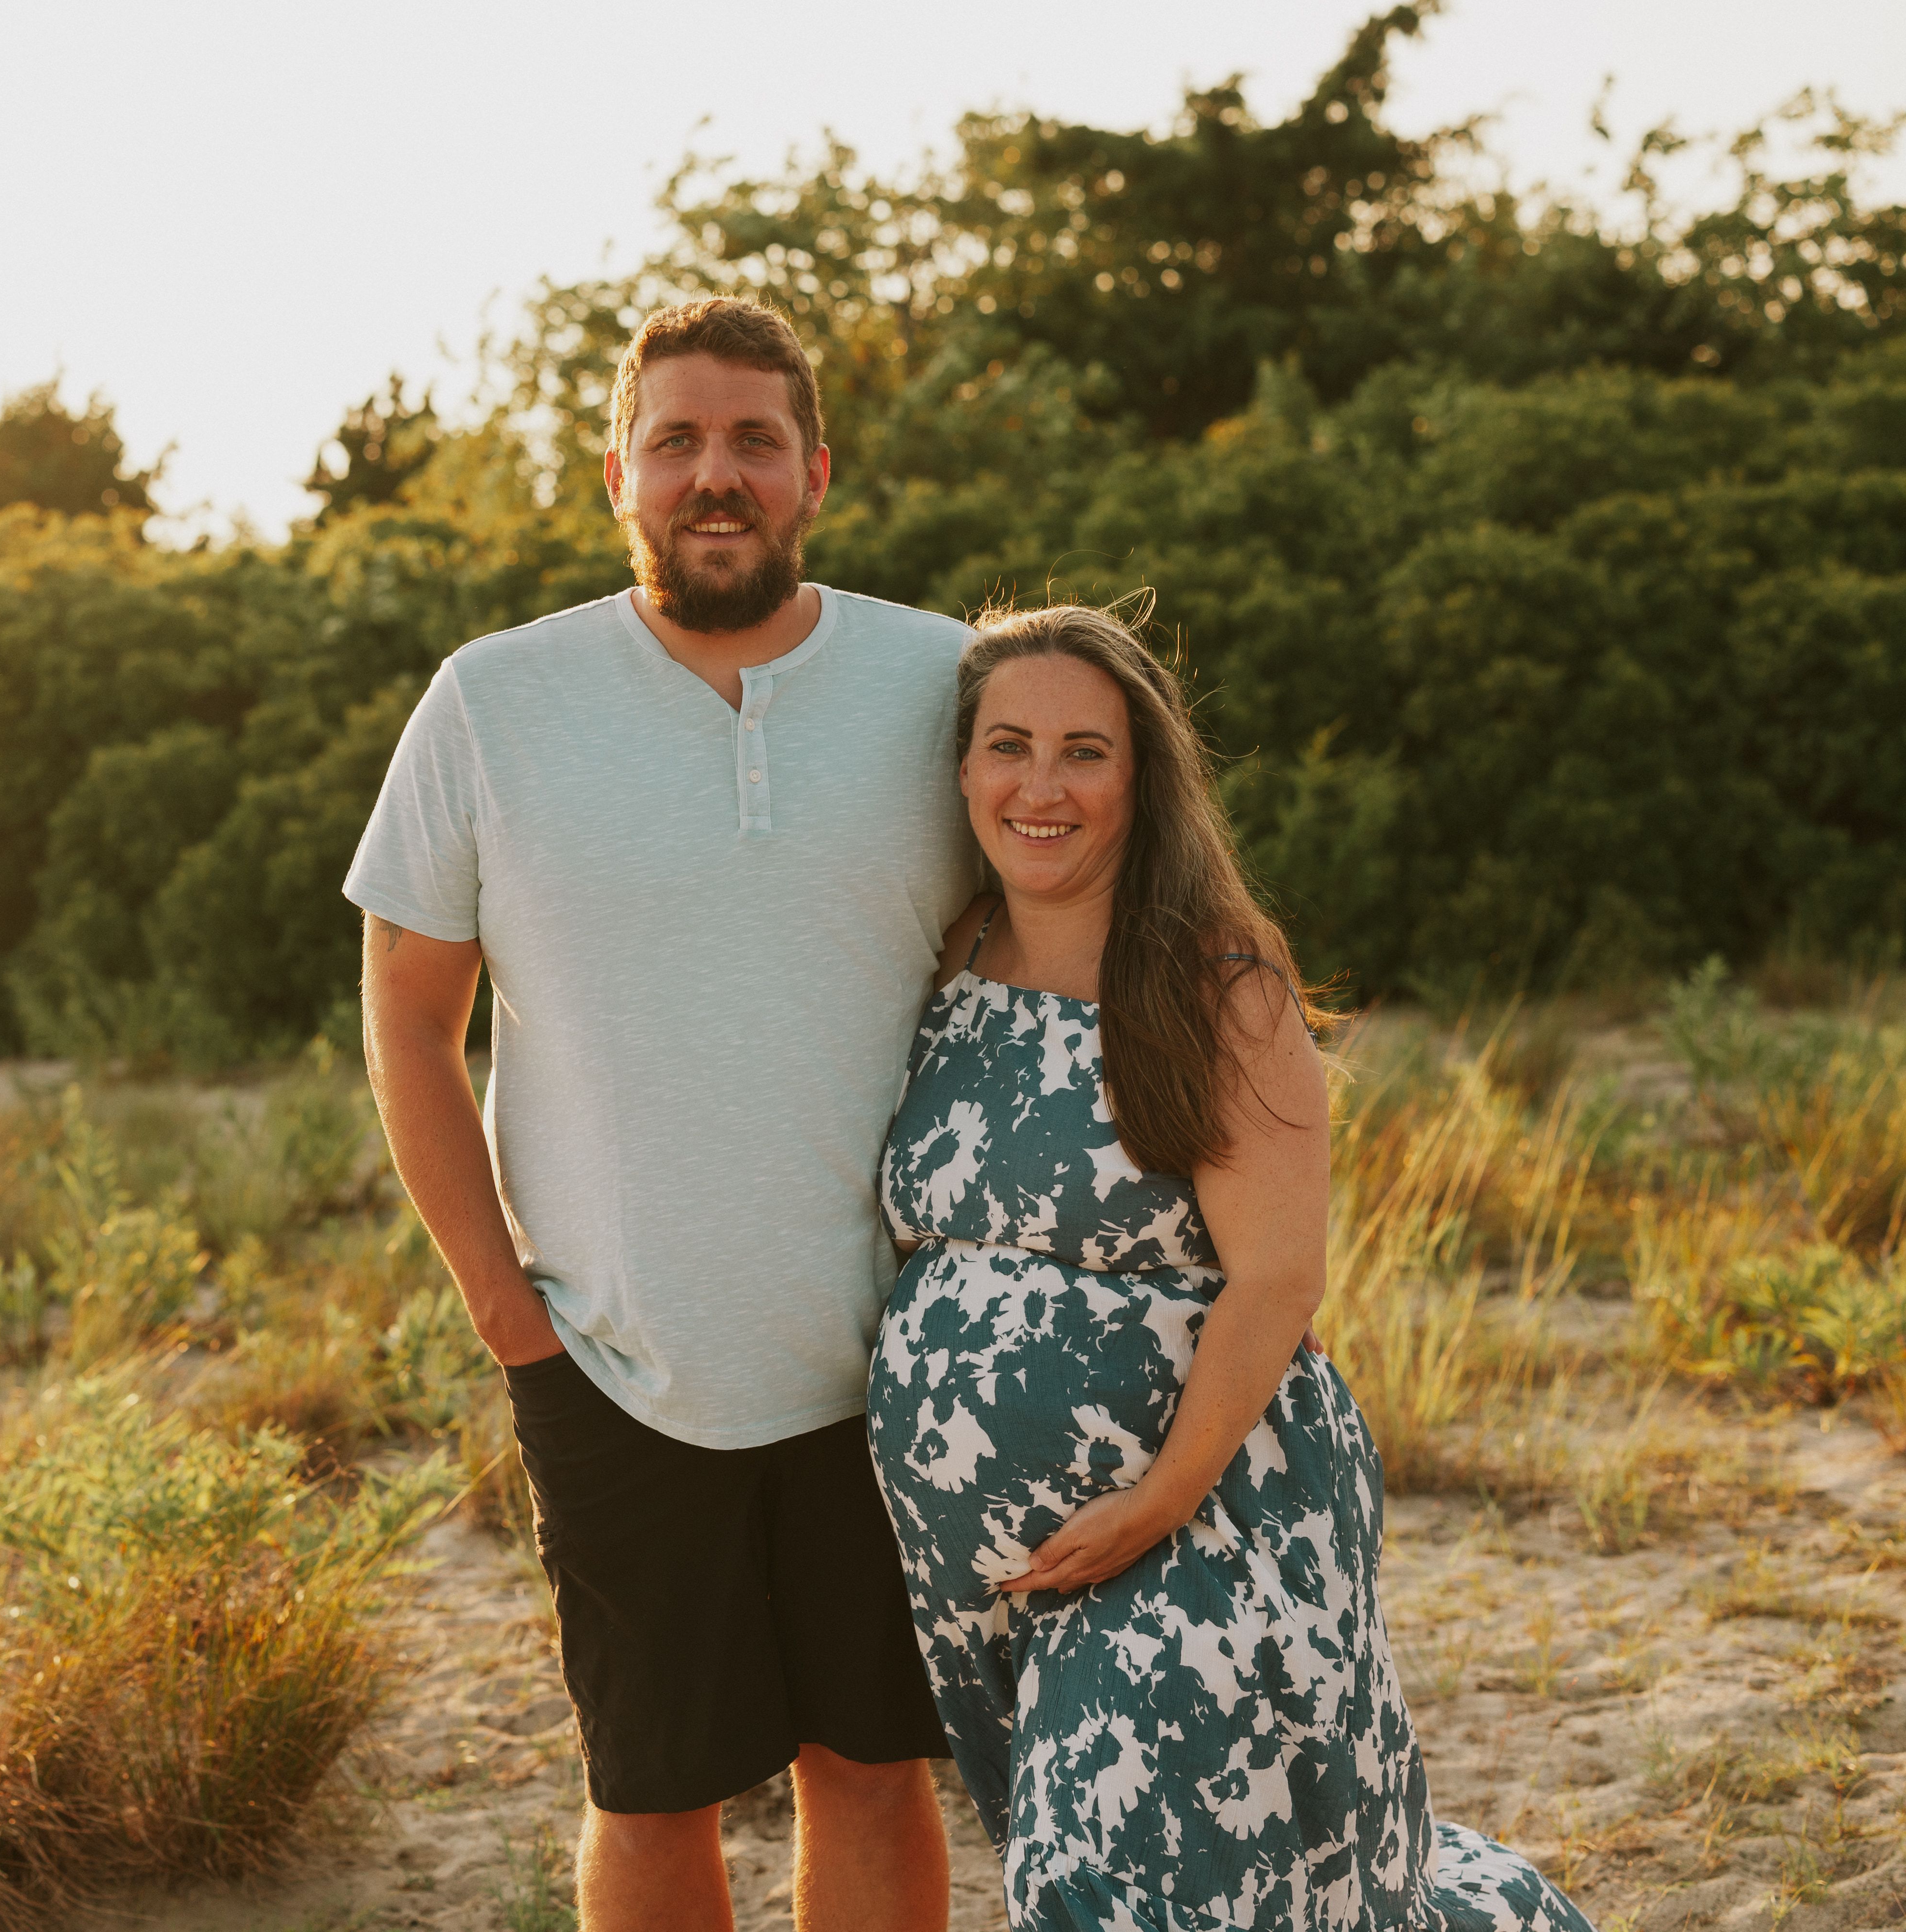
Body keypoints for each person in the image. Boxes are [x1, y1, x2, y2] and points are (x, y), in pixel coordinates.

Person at [346, 297, 972, 1932]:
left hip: (899, 1355)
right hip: (612, 1356)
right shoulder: (494, 700)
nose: (717, 474)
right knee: (649, 1786)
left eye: (756, 439)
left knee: (873, 1768)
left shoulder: (941, 681)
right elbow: (409, 1018)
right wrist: (508, 1314)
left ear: (815, 472)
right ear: (617, 472)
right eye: (678, 439)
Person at [870, 602, 1593, 1931]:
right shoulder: (952, 953)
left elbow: (1276, 1282)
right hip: (989, 1570)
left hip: (1205, 1516)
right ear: (962, 768)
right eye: (1008, 746)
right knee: (1182, 1875)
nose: (1040, 786)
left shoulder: (1215, 983)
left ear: (1144, 777)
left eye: (1085, 752)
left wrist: (1153, 1505)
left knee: (1120, 1877)